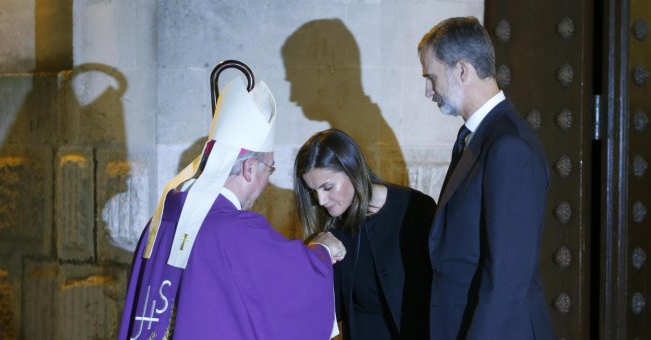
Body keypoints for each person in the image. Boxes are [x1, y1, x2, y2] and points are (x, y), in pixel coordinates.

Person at [118, 77, 345, 339]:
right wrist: (323, 250)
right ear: (249, 169)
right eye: (269, 169)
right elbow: (292, 283)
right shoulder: (236, 230)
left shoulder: (163, 219)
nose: (267, 179)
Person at [418, 17, 555, 339]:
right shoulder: (480, 137)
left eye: (431, 76)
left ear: (461, 70)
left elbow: (508, 279)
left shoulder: (508, 146)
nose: (428, 91)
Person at [294, 128, 436, 340]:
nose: (321, 200)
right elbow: (322, 312)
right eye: (313, 191)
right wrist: (315, 253)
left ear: (352, 169)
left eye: (328, 187)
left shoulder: (416, 208)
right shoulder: (332, 233)